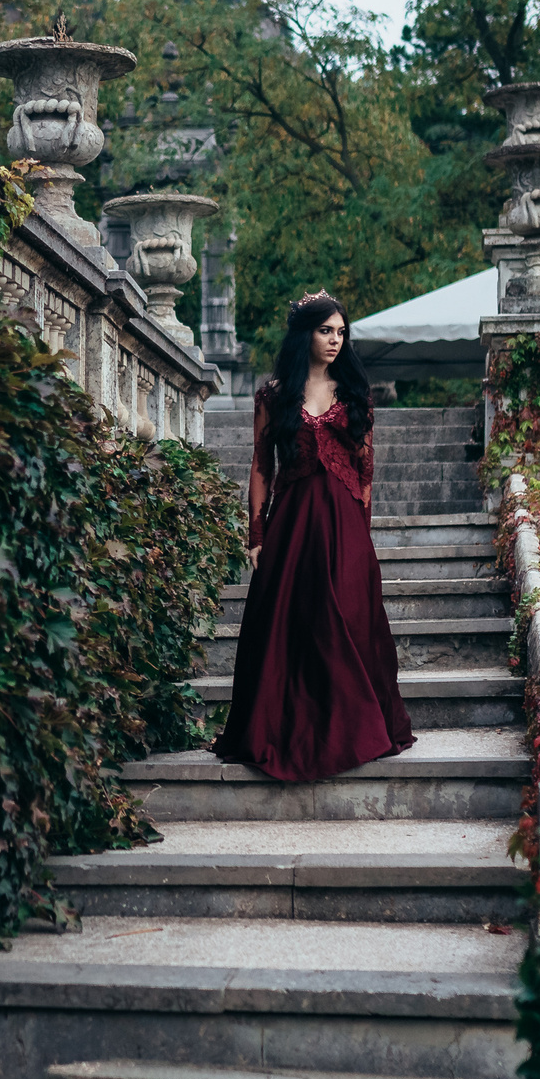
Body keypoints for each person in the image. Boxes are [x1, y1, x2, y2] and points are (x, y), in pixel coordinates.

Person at [211, 291, 417, 781]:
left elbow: (365, 471)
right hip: (292, 526)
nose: (335, 340)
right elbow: (261, 467)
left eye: (341, 332)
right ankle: (295, 731)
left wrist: (362, 535)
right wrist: (256, 533)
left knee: (346, 620)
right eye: (326, 331)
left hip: (344, 527)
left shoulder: (355, 393)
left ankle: (351, 730)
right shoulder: (273, 395)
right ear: (305, 334)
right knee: (294, 625)